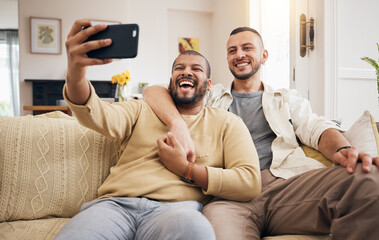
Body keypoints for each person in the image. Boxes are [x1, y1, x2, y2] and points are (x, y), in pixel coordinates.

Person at [143, 27, 379, 239]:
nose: (239, 55)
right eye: (232, 50)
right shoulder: (208, 95)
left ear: (263, 56)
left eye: (247, 48)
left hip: (287, 187)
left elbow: (316, 127)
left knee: (366, 177)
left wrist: (343, 149)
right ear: (227, 59)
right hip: (228, 196)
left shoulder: (286, 98)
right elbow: (154, 91)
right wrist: (178, 123)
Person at [55, 20, 261, 240]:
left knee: (197, 231)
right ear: (170, 80)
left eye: (196, 69)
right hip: (114, 207)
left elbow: (248, 182)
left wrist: (188, 170)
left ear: (208, 84)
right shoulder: (140, 110)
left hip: (176, 211)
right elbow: (95, 114)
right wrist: (76, 74)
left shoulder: (227, 123)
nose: (186, 72)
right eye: (179, 69)